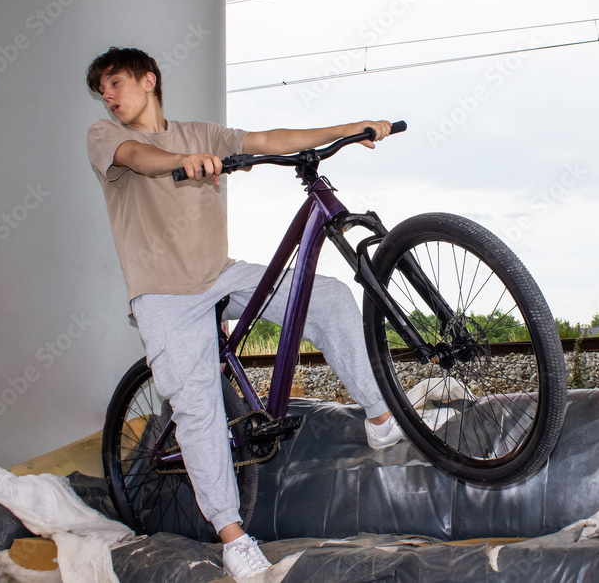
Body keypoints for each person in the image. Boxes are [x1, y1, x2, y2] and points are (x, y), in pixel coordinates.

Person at [85, 47, 404, 581]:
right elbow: (140, 158)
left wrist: (357, 128)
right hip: (163, 295)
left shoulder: (200, 133)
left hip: (220, 275)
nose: (109, 97)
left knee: (325, 295)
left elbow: (270, 140)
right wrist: (181, 163)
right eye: (103, 91)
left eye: (116, 83)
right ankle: (232, 537)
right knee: (200, 407)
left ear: (149, 79)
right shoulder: (104, 136)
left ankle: (380, 417)